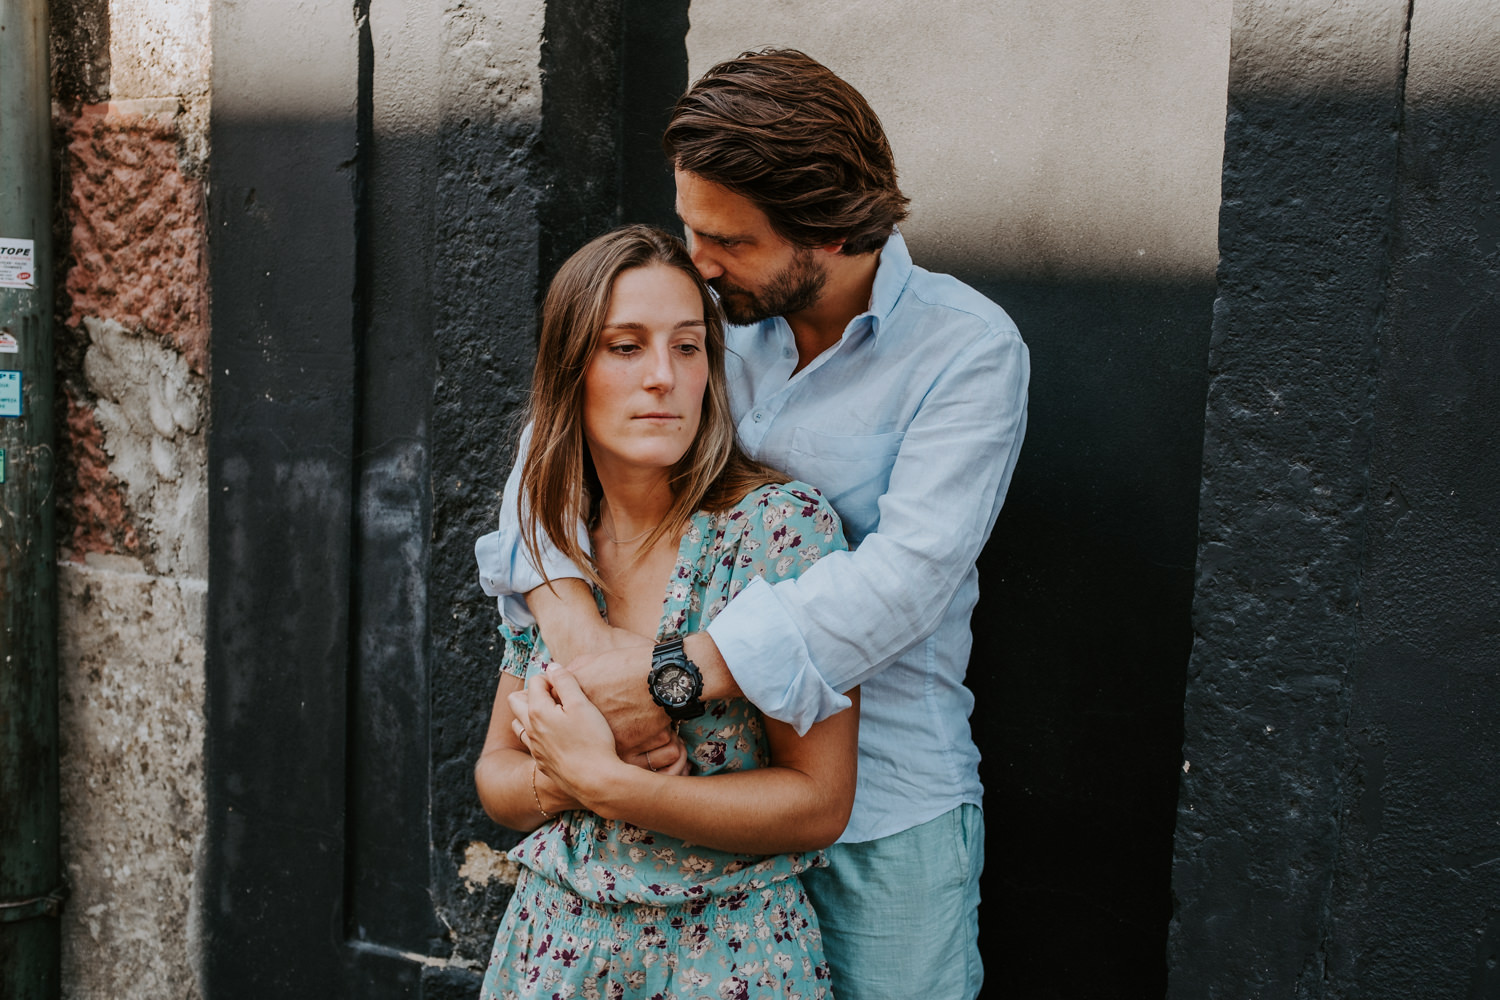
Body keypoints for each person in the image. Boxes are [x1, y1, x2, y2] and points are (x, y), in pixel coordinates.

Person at [476, 49, 1029, 1000]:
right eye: (693, 228)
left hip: (879, 818)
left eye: (727, 240)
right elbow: (552, 448)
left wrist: (670, 678)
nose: (700, 261)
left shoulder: (965, 351)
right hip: (669, 842)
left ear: (826, 234)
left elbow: (906, 578)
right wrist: (581, 638)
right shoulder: (714, 315)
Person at [474, 224, 859, 1000]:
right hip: (553, 950)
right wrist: (570, 777)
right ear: (569, 369)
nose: (663, 377)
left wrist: (610, 783)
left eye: (688, 348)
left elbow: (819, 802)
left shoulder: (775, 531)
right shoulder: (554, 542)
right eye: (626, 346)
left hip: (724, 956)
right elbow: (498, 777)